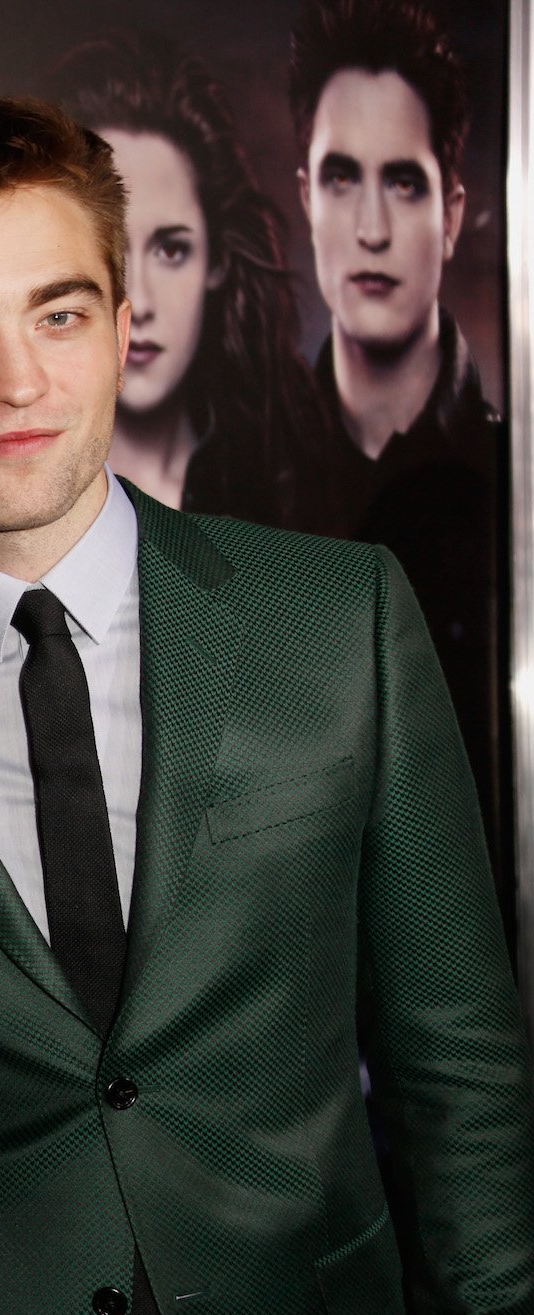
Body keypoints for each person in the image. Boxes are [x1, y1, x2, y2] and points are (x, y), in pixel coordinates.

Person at [0, 93, 534, 1315]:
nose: (15, 383)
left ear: (126, 327)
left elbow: (458, 1061)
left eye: (60, 315)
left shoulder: (339, 621)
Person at [288, 0, 506, 878]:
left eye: (404, 182)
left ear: (452, 212)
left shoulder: (510, 484)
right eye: (342, 178)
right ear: (304, 197)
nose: (371, 227)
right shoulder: (235, 475)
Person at [51, 30, 328, 525]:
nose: (142, 300)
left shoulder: (292, 486)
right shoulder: (0, 497)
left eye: (171, 249)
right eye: (106, 250)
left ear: (217, 260)